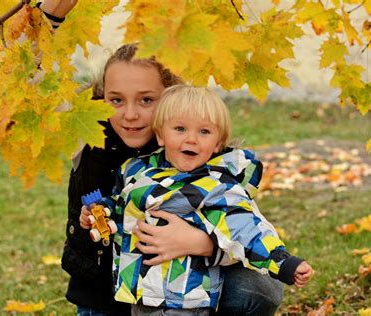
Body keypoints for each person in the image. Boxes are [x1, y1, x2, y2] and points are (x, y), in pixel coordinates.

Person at [64, 44, 287, 315]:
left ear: (171, 100)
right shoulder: (85, 135)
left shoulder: (194, 151)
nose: (130, 114)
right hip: (106, 291)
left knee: (258, 289)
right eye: (116, 100)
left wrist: (204, 244)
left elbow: (243, 226)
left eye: (146, 100)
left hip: (184, 287)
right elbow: (29, 78)